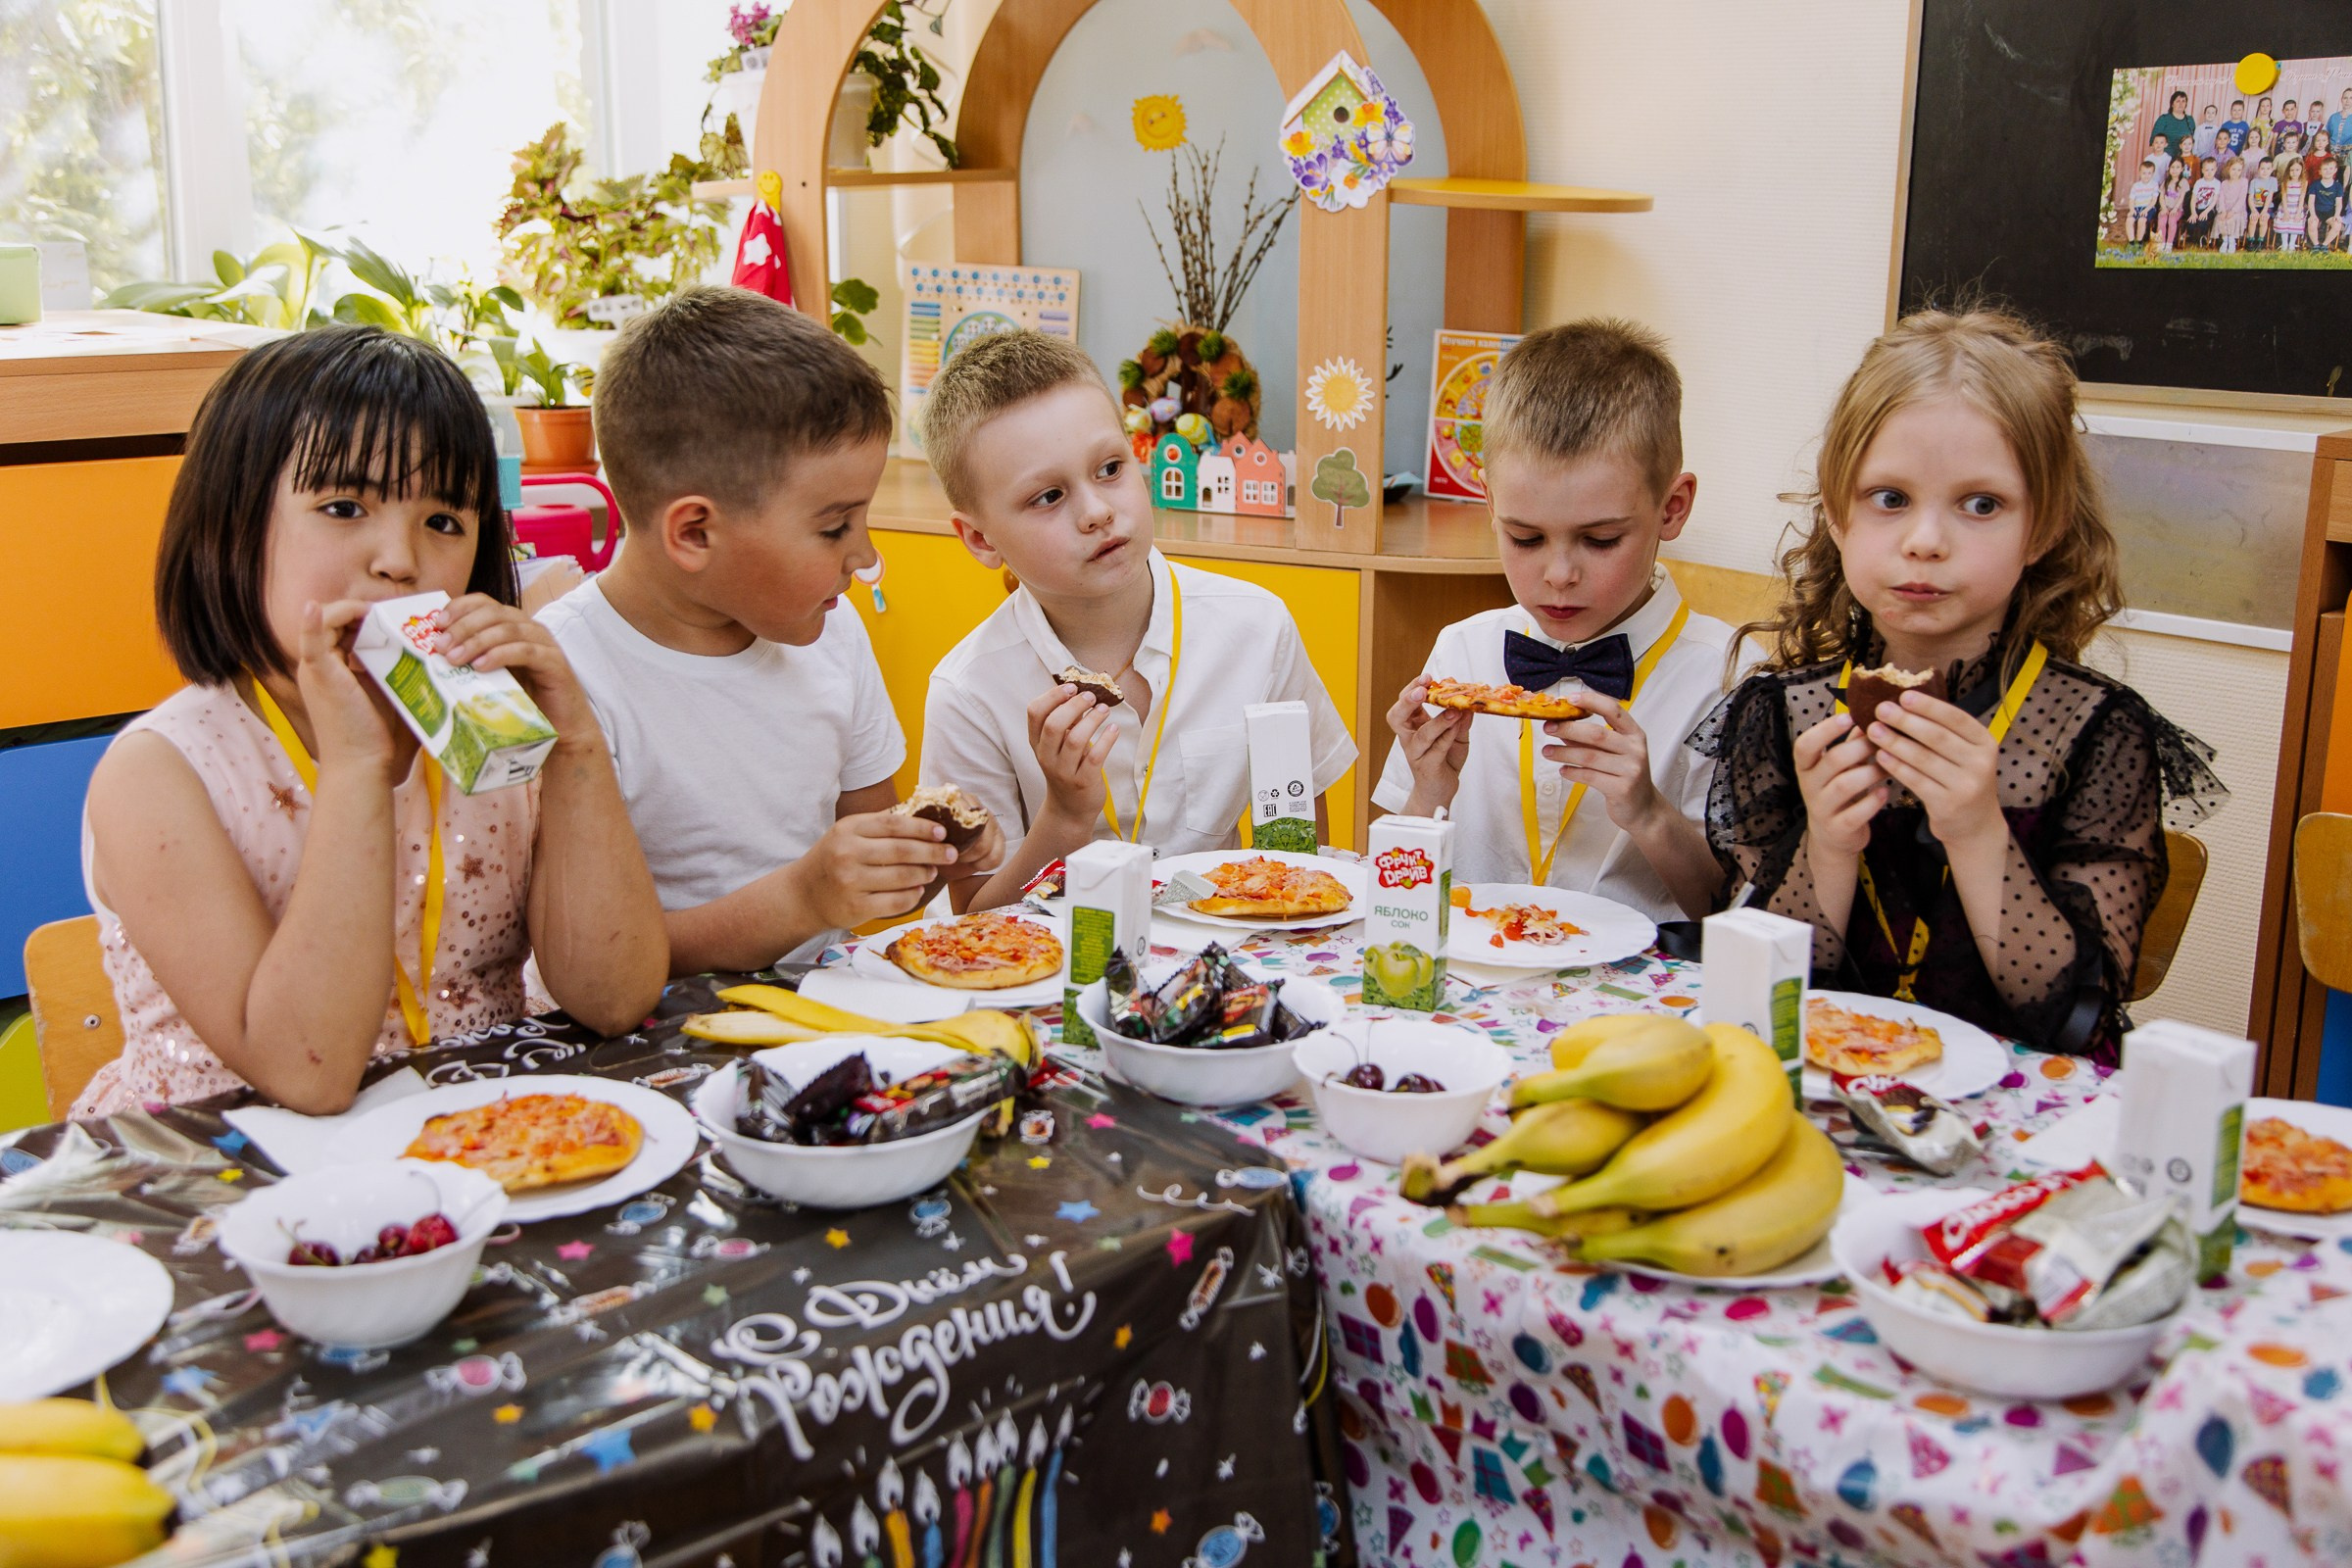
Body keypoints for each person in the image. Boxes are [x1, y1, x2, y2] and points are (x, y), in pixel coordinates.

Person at [74, 327, 668, 1116]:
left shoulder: (483, 732)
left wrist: (576, 744)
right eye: (344, 506)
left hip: (473, 1149)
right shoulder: (159, 774)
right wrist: (354, 769)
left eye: (445, 521)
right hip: (227, 1183)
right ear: (230, 528)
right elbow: (305, 1073)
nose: (400, 558)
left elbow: (614, 999)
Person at [1697, 308, 2227, 1062]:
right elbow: (1757, 994)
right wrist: (1828, 846)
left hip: (2021, 1118)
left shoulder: (2097, 733)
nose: (1925, 541)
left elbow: (2071, 1018)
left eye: (1981, 504)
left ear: (2042, 528)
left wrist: (1979, 831)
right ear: (1838, 515)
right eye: (1889, 498)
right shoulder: (1782, 714)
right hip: (1821, 1094)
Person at [538, 286, 1001, 972]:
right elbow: (592, 964)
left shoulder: (833, 635)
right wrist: (803, 898)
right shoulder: (562, 674)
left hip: (825, 1010)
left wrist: (926, 861)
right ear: (694, 533)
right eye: (834, 526)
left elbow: (866, 881)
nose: (866, 555)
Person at [915, 329, 1354, 911]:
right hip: (1053, 978)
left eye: (1109, 469)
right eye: (1048, 497)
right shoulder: (968, 692)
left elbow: (1302, 851)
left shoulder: (1258, 629)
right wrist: (1065, 818)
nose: (1097, 512)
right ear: (979, 537)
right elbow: (975, 916)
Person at [1375, 321, 1739, 922]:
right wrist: (1427, 794)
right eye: (1525, 537)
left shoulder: (1729, 680)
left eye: (1600, 540)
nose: (1559, 574)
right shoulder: (1462, 650)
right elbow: (1392, 892)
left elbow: (1738, 915)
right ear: (1491, 504)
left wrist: (1649, 813)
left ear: (1671, 509)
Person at [2185, 158, 2222, 248]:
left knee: (2202, 222)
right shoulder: (2199, 182)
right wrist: (2193, 213)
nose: (2209, 172)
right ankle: (2193, 238)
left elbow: (2214, 200)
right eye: (2207, 170)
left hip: (2209, 209)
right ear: (2202, 170)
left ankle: (2203, 237)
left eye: (2212, 169)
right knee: (2191, 223)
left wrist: (2206, 211)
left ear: (2216, 169)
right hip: (2197, 208)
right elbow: (2193, 199)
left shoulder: (2217, 183)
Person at [2313, 155, 2347, 251]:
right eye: (2325, 169)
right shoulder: (2315, 184)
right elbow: (2311, 201)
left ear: (2335, 170)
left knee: (2337, 224)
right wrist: (2312, 214)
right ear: (2320, 171)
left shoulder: (2338, 186)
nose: (2328, 171)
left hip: (2329, 213)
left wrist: (2336, 215)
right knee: (2311, 222)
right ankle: (2315, 245)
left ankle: (2324, 245)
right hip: (2317, 211)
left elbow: (2339, 203)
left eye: (2331, 168)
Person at [2151, 89, 2196, 162]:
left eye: (2183, 101)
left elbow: (2193, 139)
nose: (2181, 104)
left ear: (2186, 104)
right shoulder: (2164, 119)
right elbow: (2153, 141)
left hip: (2184, 160)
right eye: (2178, 101)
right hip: (2165, 160)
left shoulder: (2190, 120)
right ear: (2172, 104)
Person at [2217, 156, 2250, 253]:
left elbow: (2241, 199)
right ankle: (2225, 240)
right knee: (2221, 219)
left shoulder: (2244, 182)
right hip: (2225, 209)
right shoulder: (2224, 183)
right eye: (2234, 169)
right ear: (2228, 169)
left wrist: (2233, 211)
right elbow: (2221, 199)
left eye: (2239, 170)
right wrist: (2223, 210)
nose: (2236, 172)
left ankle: (2231, 241)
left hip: (2237, 210)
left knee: (2231, 219)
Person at [2124, 159, 2160, 245]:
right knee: (2129, 220)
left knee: (2142, 220)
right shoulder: (2136, 186)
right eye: (2144, 173)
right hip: (2136, 207)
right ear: (2139, 173)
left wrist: (2146, 210)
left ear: (2153, 174)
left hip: (2149, 208)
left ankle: (2139, 242)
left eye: (2149, 173)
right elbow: (2131, 200)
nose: (2146, 176)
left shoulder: (2154, 185)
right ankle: (2131, 243)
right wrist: (2132, 210)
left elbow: (2154, 201)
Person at [2157, 161, 2190, 252]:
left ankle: (2169, 244)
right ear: (2168, 168)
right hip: (2165, 207)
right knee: (2162, 220)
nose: (2174, 170)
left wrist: (2175, 209)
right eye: (2172, 167)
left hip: (2177, 209)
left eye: (2177, 167)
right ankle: (2161, 243)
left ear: (2182, 169)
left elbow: (2181, 198)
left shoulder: (2183, 182)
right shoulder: (2166, 181)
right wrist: (2163, 208)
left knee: (2172, 220)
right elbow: (2161, 197)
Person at [2278, 162, 2309, 252]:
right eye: (2292, 170)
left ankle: (2292, 244)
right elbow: (2283, 197)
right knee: (2284, 224)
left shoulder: (2304, 182)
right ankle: (2284, 244)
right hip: (2286, 206)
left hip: (2297, 207)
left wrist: (2299, 212)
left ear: (2301, 171)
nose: (2294, 172)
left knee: (2295, 225)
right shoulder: (2285, 182)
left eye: (2297, 170)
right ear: (2288, 171)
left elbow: (2302, 197)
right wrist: (2286, 211)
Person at [2328, 88, 2352, 162]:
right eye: (2345, 98)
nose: (2347, 101)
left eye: (2351, 98)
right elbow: (2327, 134)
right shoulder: (2333, 117)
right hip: (2331, 154)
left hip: (2348, 156)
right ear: (2341, 99)